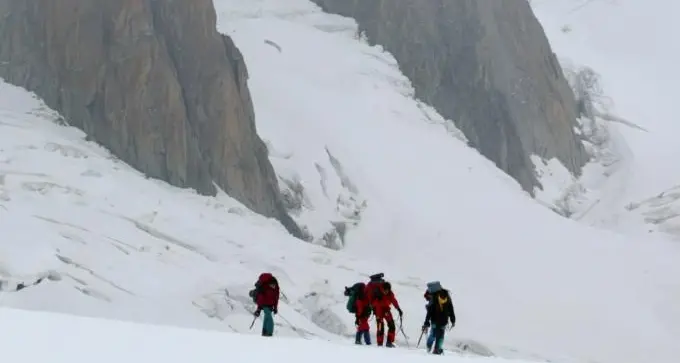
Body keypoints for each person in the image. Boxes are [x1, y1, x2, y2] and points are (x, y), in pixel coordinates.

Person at [365, 273, 403, 347]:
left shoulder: (389, 293)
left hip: (386, 310)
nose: (386, 292)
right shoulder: (377, 293)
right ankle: (380, 344)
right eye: (385, 291)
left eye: (388, 291)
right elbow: (373, 303)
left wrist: (398, 309)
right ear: (383, 289)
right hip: (378, 311)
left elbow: (393, 300)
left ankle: (389, 342)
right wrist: (375, 308)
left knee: (391, 325)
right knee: (380, 328)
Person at [421, 282, 456, 355]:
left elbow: (429, 312)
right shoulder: (446, 296)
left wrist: (426, 322)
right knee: (440, 335)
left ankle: (430, 346)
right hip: (444, 320)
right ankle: (437, 349)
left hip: (435, 319)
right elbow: (451, 308)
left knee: (433, 334)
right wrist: (453, 319)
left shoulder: (433, 297)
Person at [249, 272, 280, 337]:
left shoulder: (261, 290)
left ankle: (267, 332)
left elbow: (261, 301)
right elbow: (276, 297)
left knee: (268, 317)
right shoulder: (273, 282)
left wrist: (258, 310)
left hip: (267, 304)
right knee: (267, 316)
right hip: (270, 304)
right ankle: (266, 332)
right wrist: (275, 307)